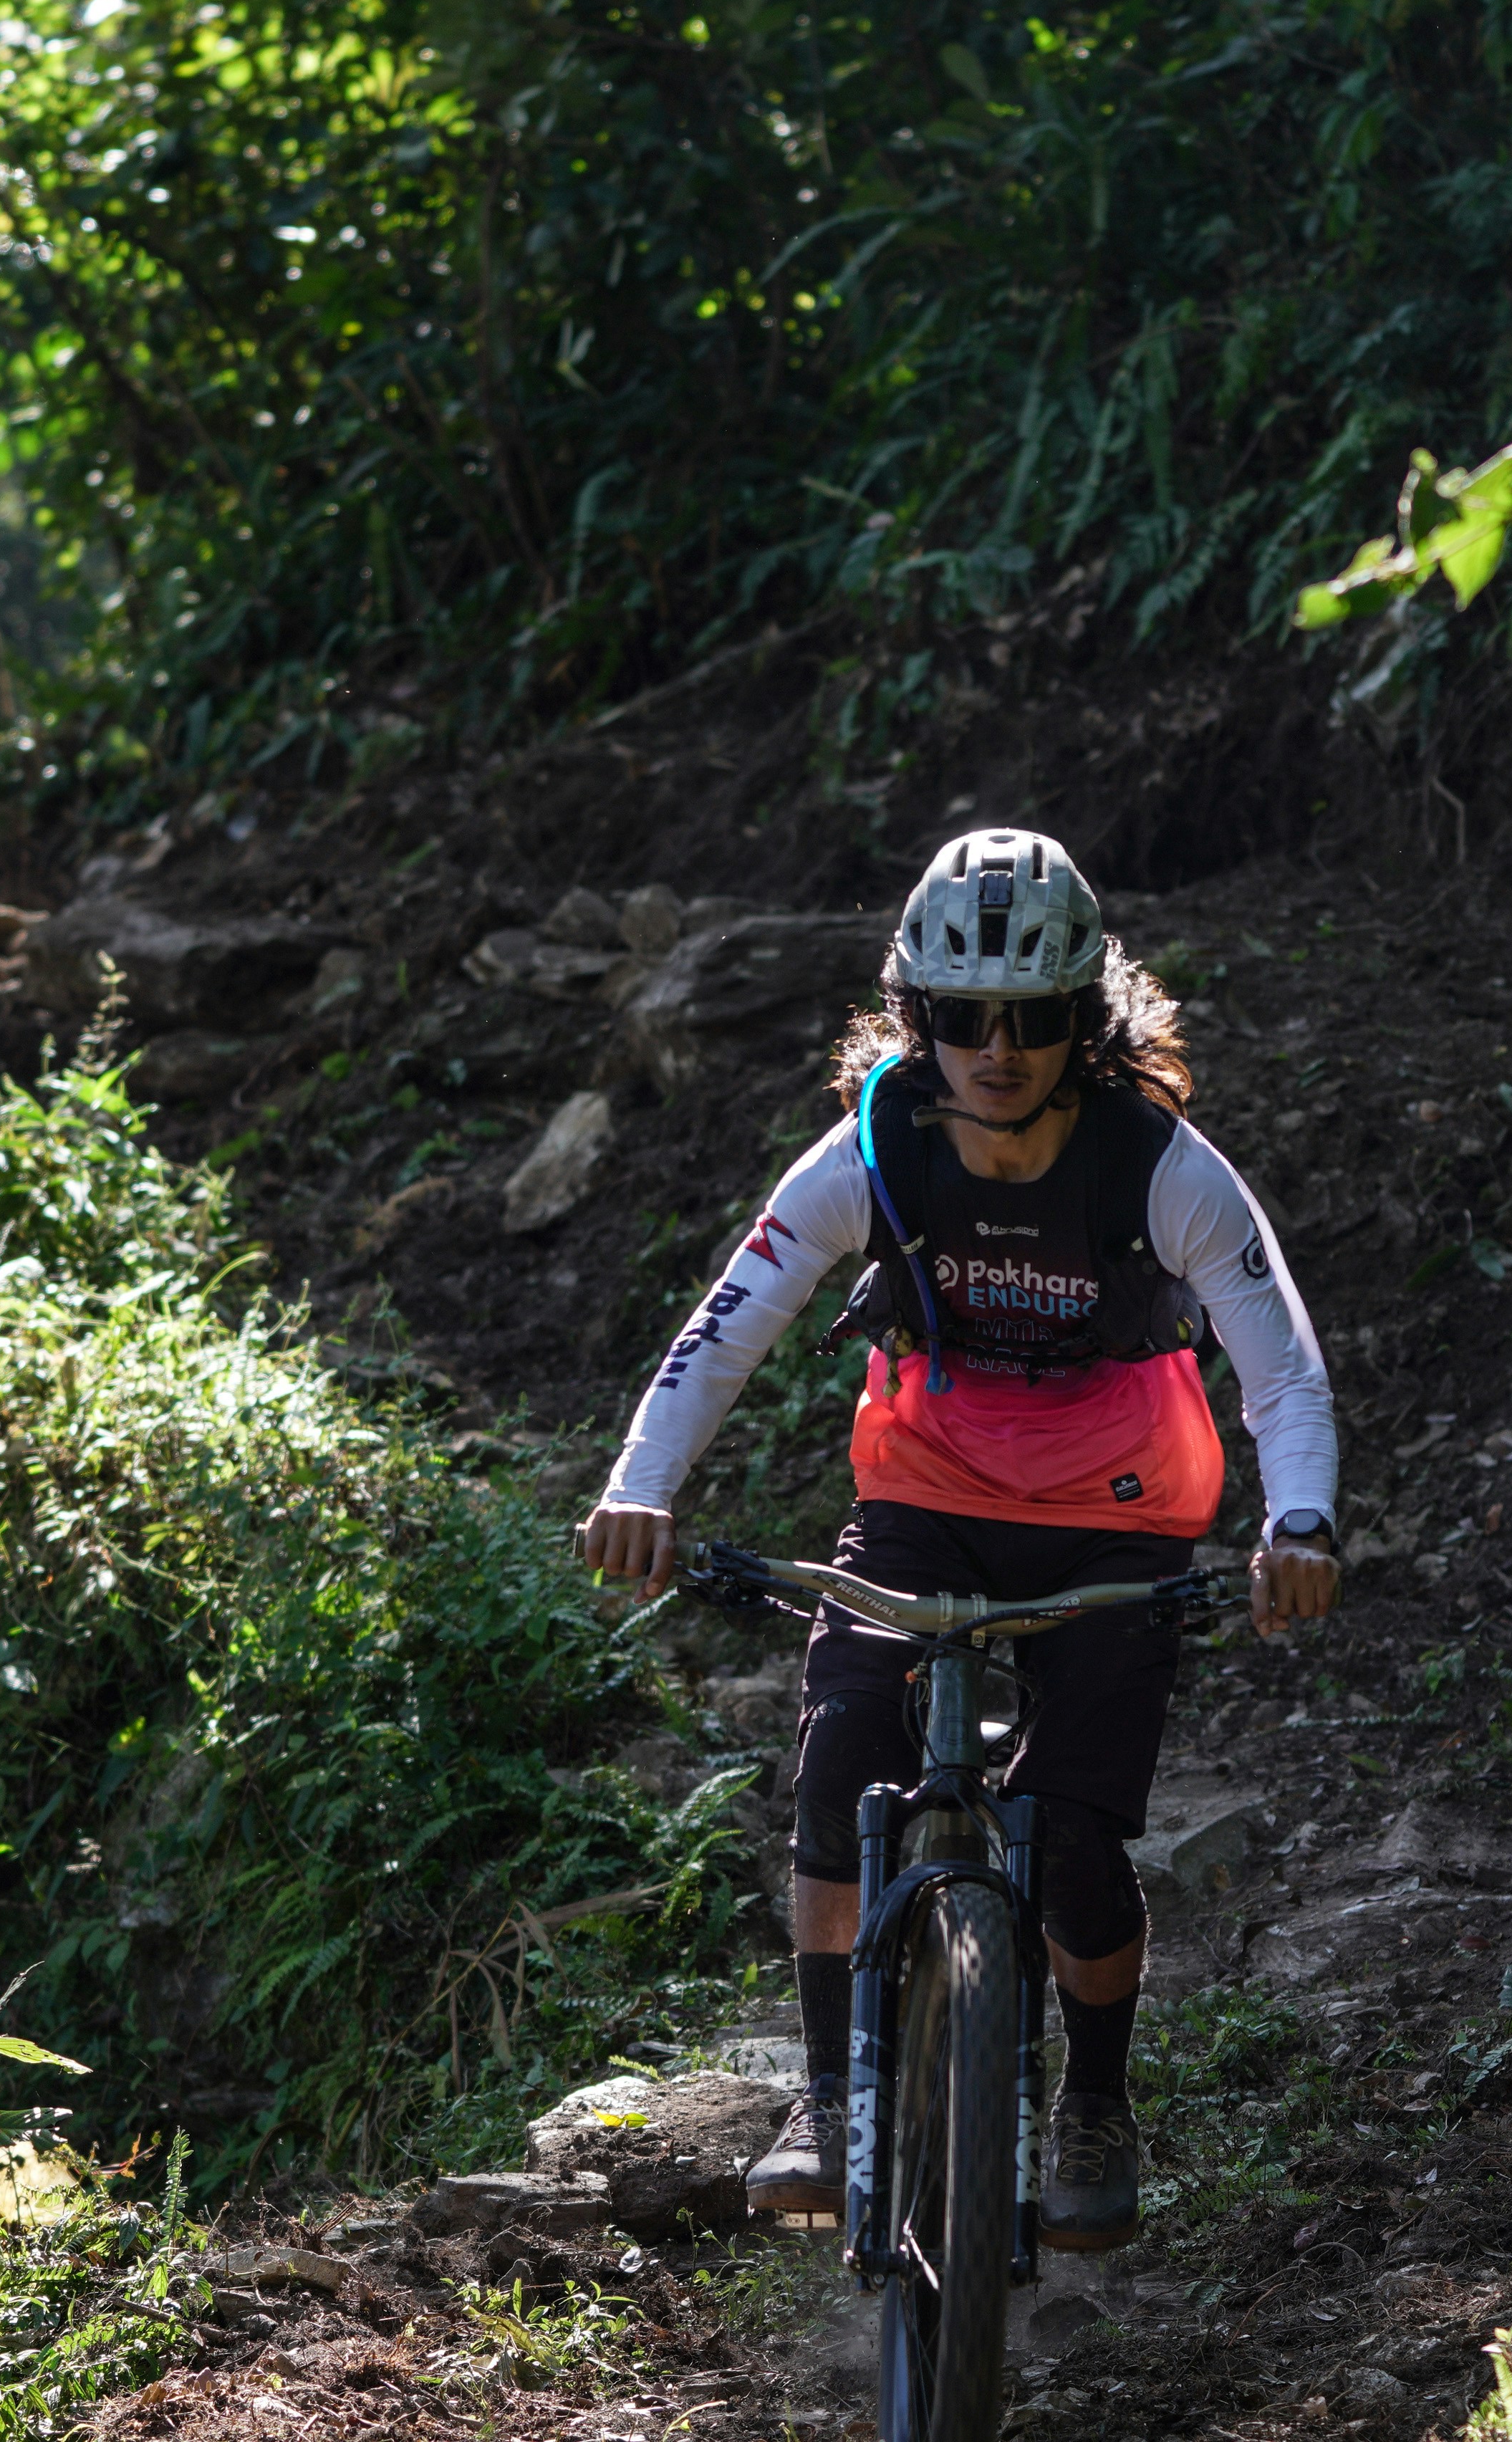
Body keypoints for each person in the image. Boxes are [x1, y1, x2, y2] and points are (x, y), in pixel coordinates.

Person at [577, 827, 1341, 2251]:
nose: (997, 1051)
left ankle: (1093, 2102)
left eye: (1034, 1020)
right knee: (839, 1768)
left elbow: (1279, 1364)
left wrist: (1298, 1517)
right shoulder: (874, 1150)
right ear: (916, 1020)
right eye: (961, 1019)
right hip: (927, 1496)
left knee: (1073, 1850)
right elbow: (730, 1323)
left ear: (1085, 1025)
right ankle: (832, 2098)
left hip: (1120, 1510)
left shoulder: (1160, 1168)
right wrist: (644, 1485)